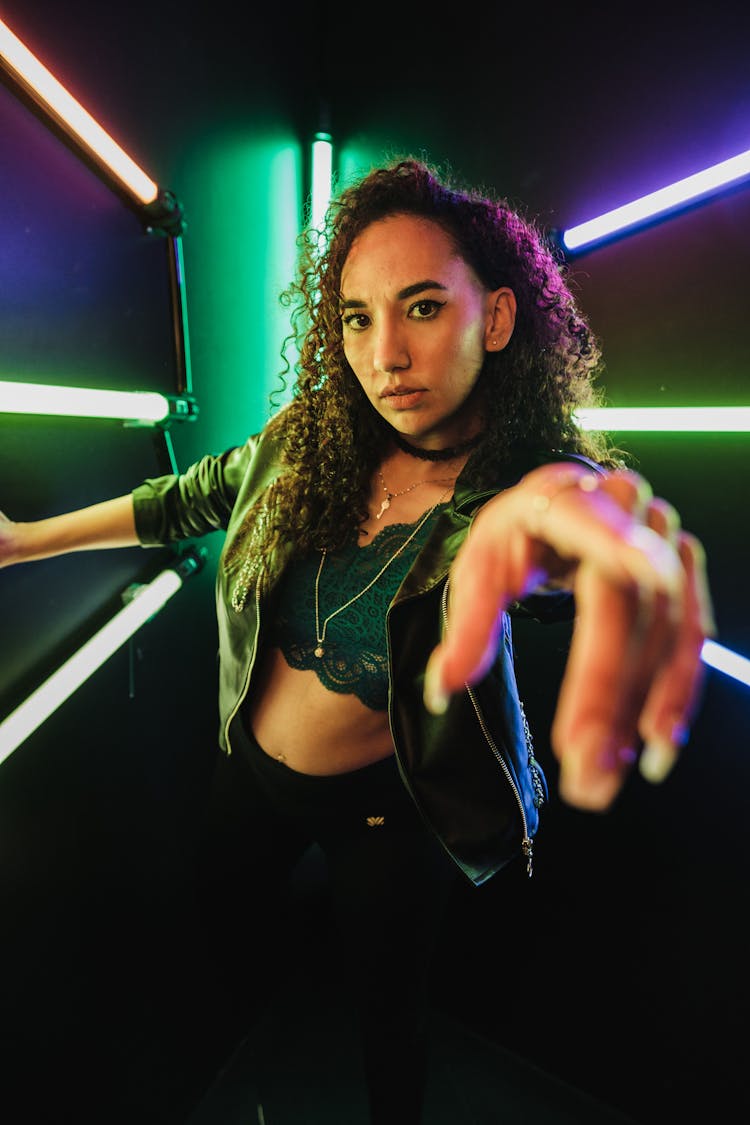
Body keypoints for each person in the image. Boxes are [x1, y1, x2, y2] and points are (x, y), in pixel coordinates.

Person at [0, 157, 713, 1123]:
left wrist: (571, 528)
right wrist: (24, 541)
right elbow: (189, 497)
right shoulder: (315, 439)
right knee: (222, 919)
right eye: (358, 317)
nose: (386, 355)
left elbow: (554, 520)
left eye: (423, 308)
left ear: (497, 319)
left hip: (393, 812)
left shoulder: (517, 486)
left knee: (390, 1018)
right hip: (248, 769)